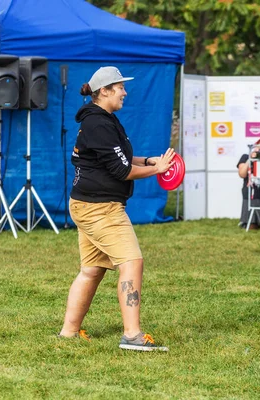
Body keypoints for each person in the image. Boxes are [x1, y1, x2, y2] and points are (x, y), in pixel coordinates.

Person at [59, 66, 174, 351]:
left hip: (88, 204)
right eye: (120, 87)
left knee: (92, 269)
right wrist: (157, 170)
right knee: (132, 262)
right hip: (100, 208)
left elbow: (123, 156)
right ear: (105, 91)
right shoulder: (99, 123)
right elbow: (121, 170)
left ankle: (69, 332)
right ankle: (132, 335)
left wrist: (149, 162)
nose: (125, 91)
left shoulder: (104, 120)